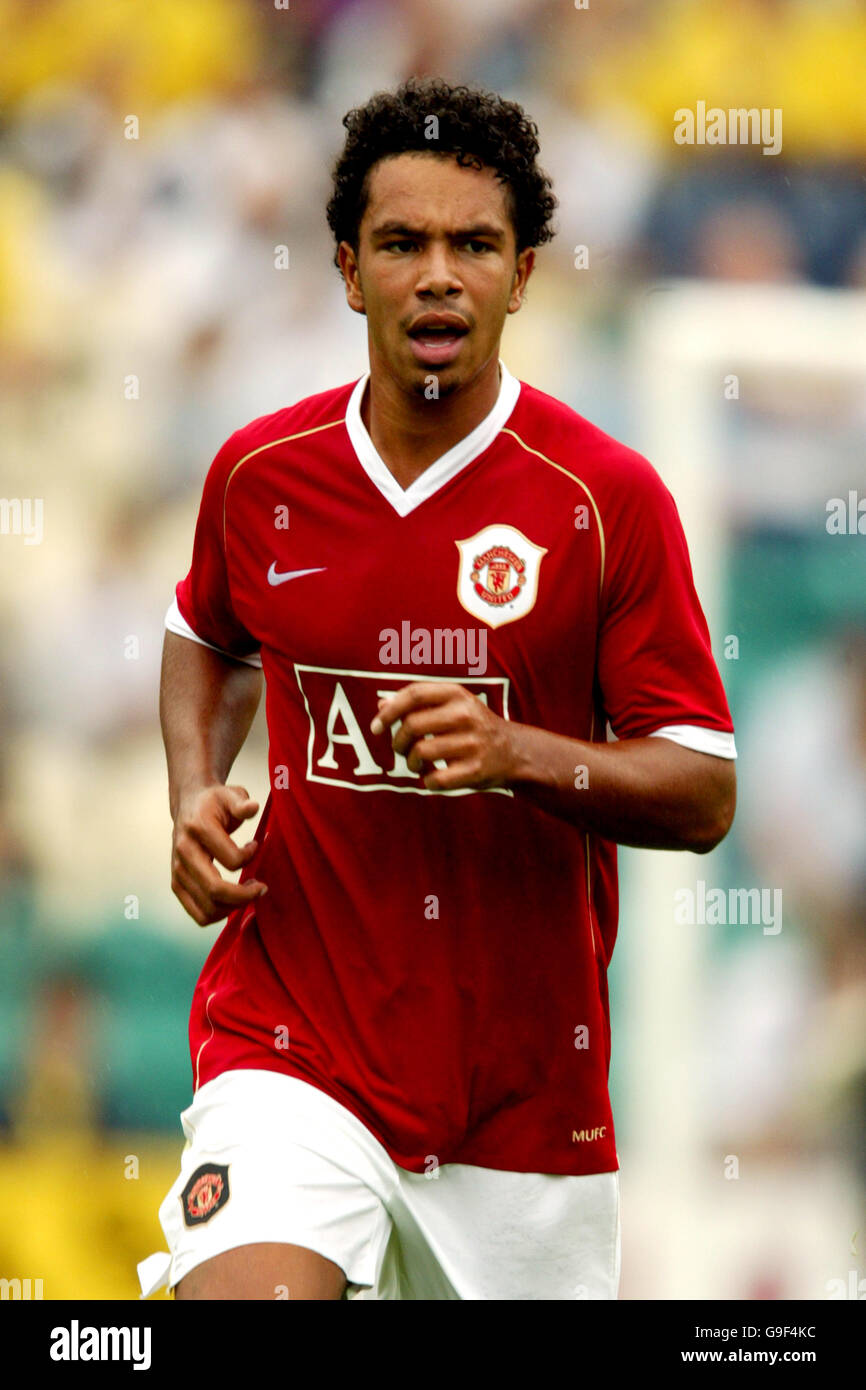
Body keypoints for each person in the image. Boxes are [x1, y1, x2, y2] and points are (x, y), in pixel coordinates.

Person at [137, 76, 737, 1302]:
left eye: (474, 244)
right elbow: (204, 632)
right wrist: (194, 790)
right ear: (349, 269)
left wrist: (517, 752)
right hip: (292, 1044)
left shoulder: (602, 501)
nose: (439, 274)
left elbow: (702, 789)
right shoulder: (262, 473)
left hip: (522, 1111)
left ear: (522, 276)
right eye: (403, 243)